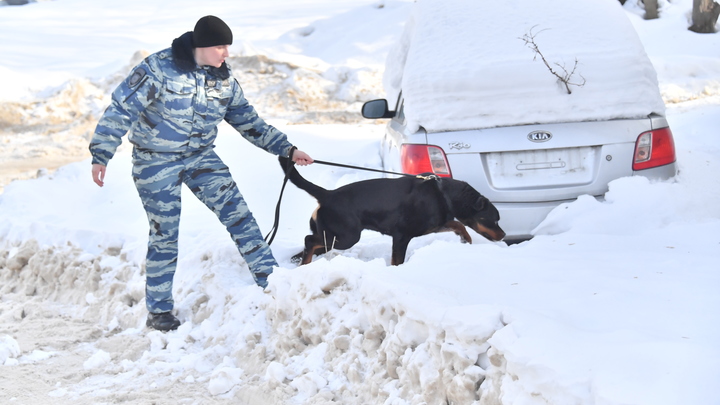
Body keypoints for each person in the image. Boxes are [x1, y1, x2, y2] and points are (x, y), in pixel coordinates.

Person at [89, 15, 313, 332]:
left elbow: (250, 122)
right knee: (165, 234)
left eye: (227, 46)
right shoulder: (158, 69)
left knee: (239, 214)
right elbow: (121, 108)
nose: (226, 53)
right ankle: (159, 311)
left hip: (200, 157)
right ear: (201, 45)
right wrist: (101, 153)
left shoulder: (222, 80)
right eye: (220, 46)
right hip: (156, 161)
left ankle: (271, 281)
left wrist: (287, 149)